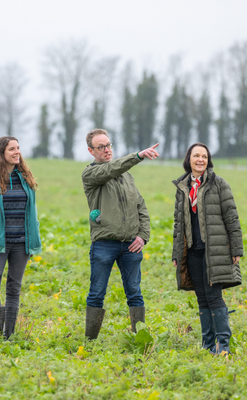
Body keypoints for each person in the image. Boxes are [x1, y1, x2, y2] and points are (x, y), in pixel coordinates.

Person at [82, 129, 159, 339]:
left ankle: (140, 338)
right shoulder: (90, 175)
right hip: (104, 244)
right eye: (101, 147)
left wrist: (142, 236)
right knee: (97, 293)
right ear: (91, 151)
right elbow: (109, 170)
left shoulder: (127, 176)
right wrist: (137, 156)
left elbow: (140, 206)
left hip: (130, 245)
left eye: (108, 145)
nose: (107, 150)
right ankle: (90, 341)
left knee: (135, 293)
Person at [172, 143, 242, 355]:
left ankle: (224, 347)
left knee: (213, 296)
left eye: (204, 156)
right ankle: (208, 345)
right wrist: (177, 253)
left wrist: (236, 248)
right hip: (193, 251)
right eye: (196, 156)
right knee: (201, 297)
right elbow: (178, 223)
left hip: (216, 250)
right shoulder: (182, 187)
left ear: (208, 160)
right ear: (189, 159)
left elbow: (231, 217)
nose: (200, 159)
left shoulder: (219, 184)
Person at [0, 136, 42, 339]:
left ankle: (9, 334)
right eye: (12, 149)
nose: (17, 152)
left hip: (22, 243)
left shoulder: (26, 178)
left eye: (18, 148)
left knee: (14, 288)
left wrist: (34, 241)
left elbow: (33, 213)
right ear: (1, 153)